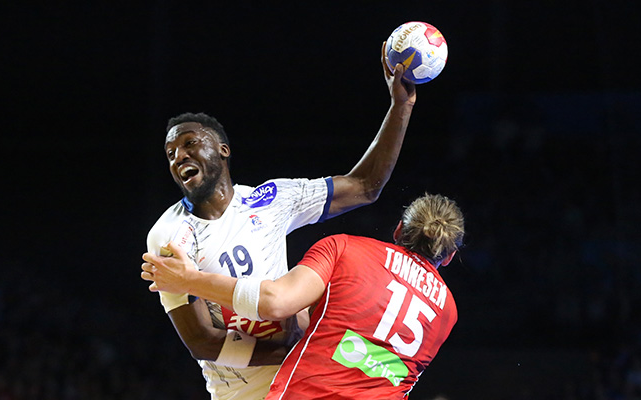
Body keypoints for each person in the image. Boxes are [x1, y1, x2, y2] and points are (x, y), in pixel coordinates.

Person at [143, 43, 418, 399]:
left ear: (223, 150)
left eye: (190, 143)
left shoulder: (271, 199)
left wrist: (401, 107)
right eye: (170, 154)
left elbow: (365, 187)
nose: (179, 156)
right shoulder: (170, 235)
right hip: (242, 394)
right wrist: (290, 352)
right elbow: (200, 341)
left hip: (302, 385)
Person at [142, 193, 464, 399]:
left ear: (398, 230)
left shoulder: (347, 248)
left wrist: (190, 279)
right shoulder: (447, 310)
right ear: (448, 257)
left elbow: (274, 302)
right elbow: (376, 357)